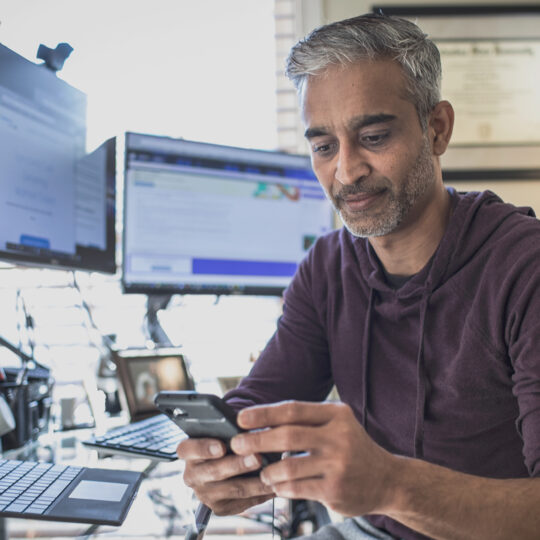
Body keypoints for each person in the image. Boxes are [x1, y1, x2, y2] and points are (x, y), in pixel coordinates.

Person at [177, 13, 540, 539]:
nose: (346, 172)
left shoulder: (524, 267)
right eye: (324, 146)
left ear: (436, 129)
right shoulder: (328, 268)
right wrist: (221, 460)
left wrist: (391, 485)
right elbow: (260, 406)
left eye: (372, 135)